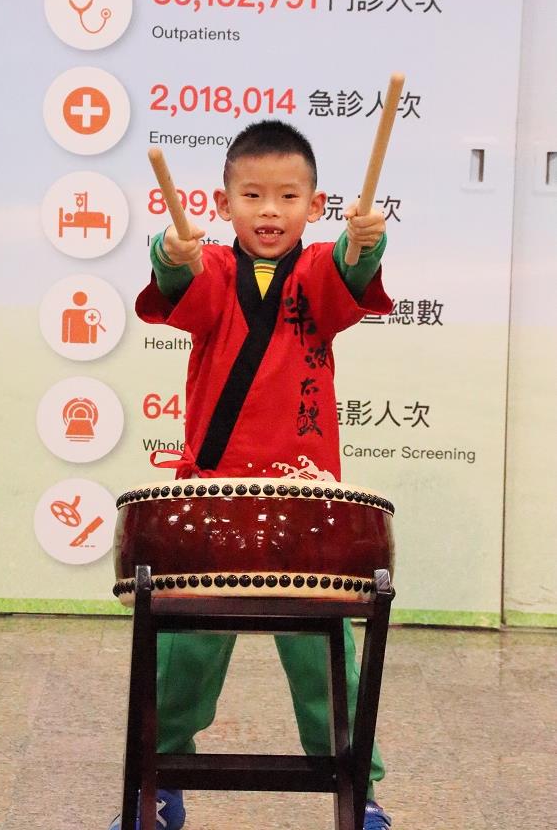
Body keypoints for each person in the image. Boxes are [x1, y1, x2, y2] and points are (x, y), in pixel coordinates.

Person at [109, 120, 394, 830]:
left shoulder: (318, 270)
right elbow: (177, 273)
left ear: (315, 205)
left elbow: (352, 268)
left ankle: (359, 791)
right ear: (224, 202)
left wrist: (368, 243)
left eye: (288, 196)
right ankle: (159, 787)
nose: (270, 211)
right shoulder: (210, 269)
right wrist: (169, 251)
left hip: (305, 495)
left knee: (325, 657)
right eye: (253, 195)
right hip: (214, 494)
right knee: (183, 649)